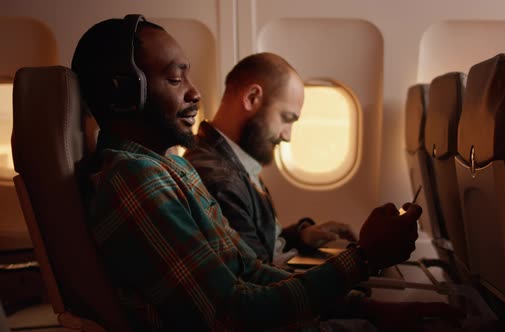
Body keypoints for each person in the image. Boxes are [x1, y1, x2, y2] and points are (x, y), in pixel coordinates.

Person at [72, 14, 439, 331]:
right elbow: (231, 315)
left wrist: (366, 308)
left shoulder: (172, 166)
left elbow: (250, 271)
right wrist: (363, 258)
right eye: (174, 79)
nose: (195, 93)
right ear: (123, 94)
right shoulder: (133, 181)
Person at [184, 53, 355, 266]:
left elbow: (257, 243)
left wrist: (300, 236)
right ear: (251, 98)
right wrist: (356, 264)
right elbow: (259, 279)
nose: (287, 136)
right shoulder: (219, 180)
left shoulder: (235, 159)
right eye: (286, 118)